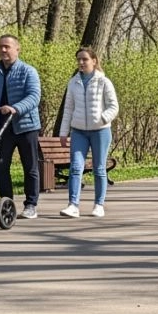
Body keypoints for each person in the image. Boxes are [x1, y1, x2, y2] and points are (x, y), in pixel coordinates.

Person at [0, 34, 42, 219]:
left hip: (26, 126)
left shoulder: (28, 71)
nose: (3, 50)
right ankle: (6, 204)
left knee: (30, 166)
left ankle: (31, 205)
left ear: (17, 49)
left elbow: (34, 97)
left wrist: (15, 108)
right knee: (0, 165)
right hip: (2, 126)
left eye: (7, 47)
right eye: (1, 47)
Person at [57, 47, 118, 218]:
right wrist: (63, 132)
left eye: (84, 59)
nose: (81, 63)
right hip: (79, 132)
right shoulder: (73, 82)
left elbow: (114, 106)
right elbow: (68, 108)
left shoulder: (104, 82)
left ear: (94, 61)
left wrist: (103, 118)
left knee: (99, 169)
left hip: (100, 131)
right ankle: (73, 205)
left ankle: (99, 204)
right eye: (79, 60)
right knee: (76, 167)